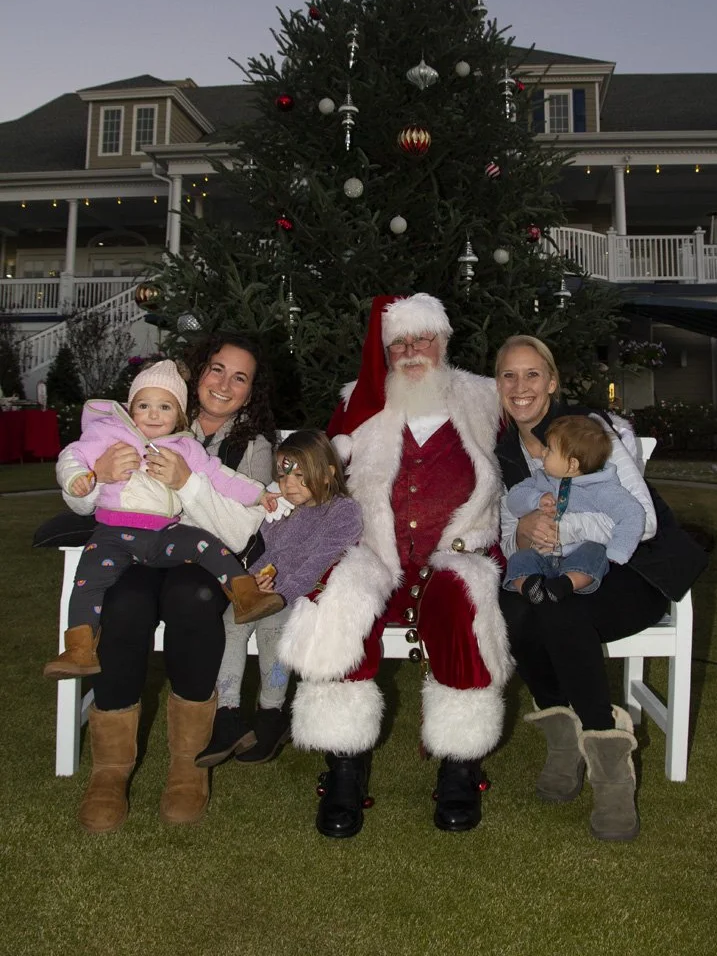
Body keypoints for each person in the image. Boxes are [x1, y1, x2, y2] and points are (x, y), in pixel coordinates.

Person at [278, 293, 510, 839]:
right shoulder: (360, 404)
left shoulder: (484, 398)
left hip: (456, 553)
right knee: (339, 600)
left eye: (422, 338)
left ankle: (460, 765)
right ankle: (343, 766)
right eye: (399, 342)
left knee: (463, 604)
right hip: (375, 550)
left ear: (443, 341)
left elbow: (537, 444)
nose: (411, 350)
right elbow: (317, 472)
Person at [55, 333, 277, 832]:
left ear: (250, 390)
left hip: (198, 563)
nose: (224, 384)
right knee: (125, 605)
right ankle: (110, 772)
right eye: (217, 369)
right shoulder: (143, 417)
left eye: (240, 377)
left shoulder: (254, 445)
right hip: (129, 551)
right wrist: (95, 480)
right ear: (196, 374)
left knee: (194, 600)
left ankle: (186, 768)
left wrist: (187, 483)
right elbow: (86, 491)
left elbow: (241, 528)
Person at [495, 334, 706, 843]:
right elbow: (505, 528)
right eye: (508, 375)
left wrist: (565, 529)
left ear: (551, 381)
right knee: (513, 609)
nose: (520, 387)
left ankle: (611, 774)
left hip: (633, 568)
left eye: (532, 374)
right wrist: (524, 531)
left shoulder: (591, 430)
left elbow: (644, 521)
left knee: (561, 613)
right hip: (551, 569)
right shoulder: (499, 450)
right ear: (497, 385)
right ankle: (564, 741)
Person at [46, 361, 279, 680]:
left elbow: (219, 476)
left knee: (206, 545)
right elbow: (73, 455)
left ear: (180, 416)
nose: (153, 414)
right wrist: (83, 477)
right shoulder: (109, 435)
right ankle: (79, 648)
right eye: (144, 405)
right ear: (130, 409)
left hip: (162, 534)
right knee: (88, 579)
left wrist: (256, 494)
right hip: (112, 533)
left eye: (164, 406)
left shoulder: (185, 447)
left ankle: (245, 594)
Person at [196, 429, 363, 768]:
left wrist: (281, 596)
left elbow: (318, 563)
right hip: (270, 591)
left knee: (275, 629)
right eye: (284, 474)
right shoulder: (284, 511)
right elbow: (268, 554)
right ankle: (227, 713)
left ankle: (271, 714)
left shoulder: (342, 512)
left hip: (309, 595)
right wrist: (253, 579)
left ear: (329, 473)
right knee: (231, 622)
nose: (289, 484)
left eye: (301, 476)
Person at [503, 413, 646, 604]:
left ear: (572, 464)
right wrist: (535, 499)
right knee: (520, 558)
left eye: (550, 450)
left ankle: (566, 584)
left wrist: (618, 550)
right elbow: (513, 498)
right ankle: (529, 586)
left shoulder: (602, 489)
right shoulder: (541, 480)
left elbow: (633, 514)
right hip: (541, 554)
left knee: (594, 552)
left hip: (577, 555)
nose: (543, 453)